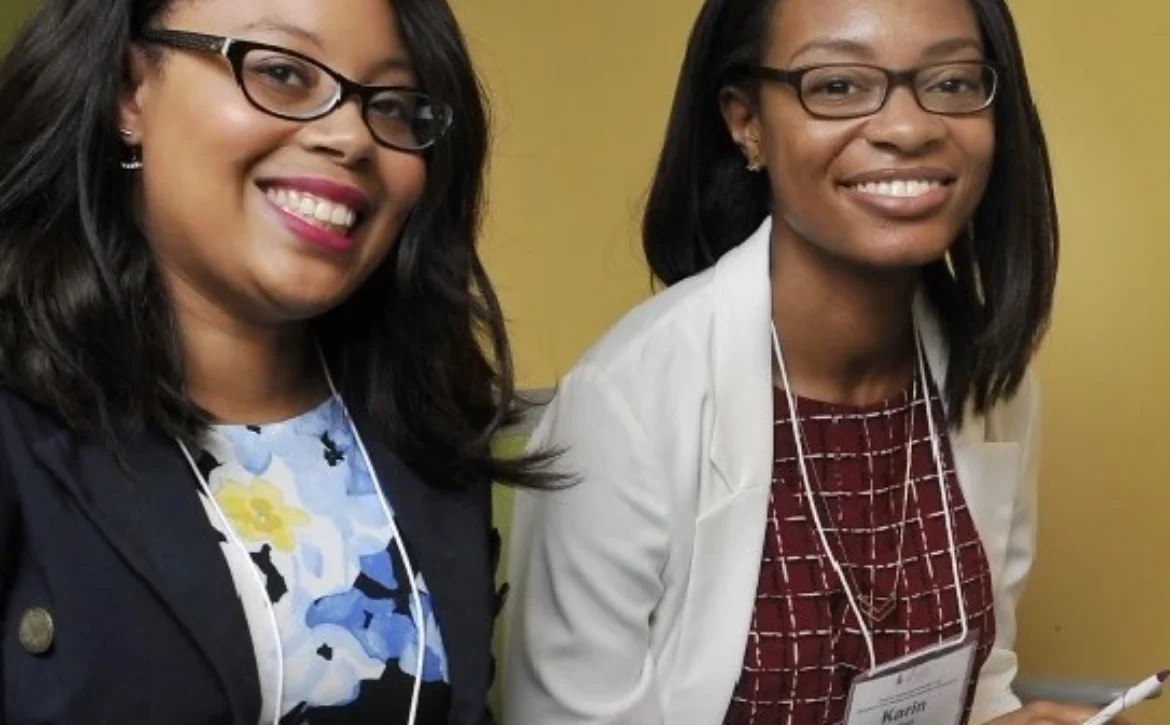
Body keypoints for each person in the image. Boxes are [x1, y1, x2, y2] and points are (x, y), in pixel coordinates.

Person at [502, 0, 1129, 723]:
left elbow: (978, 679)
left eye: (952, 82)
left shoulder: (991, 382)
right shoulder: (623, 407)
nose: (908, 127)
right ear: (746, 122)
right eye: (837, 85)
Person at [0, 0, 544, 722]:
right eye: (283, 73)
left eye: (390, 105)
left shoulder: (426, 434)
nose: (351, 137)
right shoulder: (20, 421)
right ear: (132, 91)